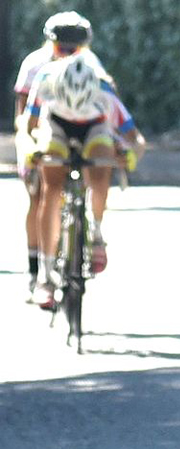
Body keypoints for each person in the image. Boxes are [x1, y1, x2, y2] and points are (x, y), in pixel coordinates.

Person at [26, 53, 135, 311]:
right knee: (51, 187)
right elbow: (28, 129)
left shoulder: (106, 93)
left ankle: (95, 232)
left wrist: (128, 154)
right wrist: (31, 151)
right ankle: (45, 275)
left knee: (102, 162)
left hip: (95, 128)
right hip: (56, 126)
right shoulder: (44, 83)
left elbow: (134, 138)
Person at [13, 11, 103, 300]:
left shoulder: (90, 65)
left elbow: (107, 105)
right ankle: (37, 269)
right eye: (61, 47)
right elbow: (24, 115)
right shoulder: (34, 64)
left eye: (74, 48)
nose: (67, 53)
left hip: (79, 132)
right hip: (41, 133)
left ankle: (88, 237)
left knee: (97, 171)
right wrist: (29, 147)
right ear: (49, 42)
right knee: (40, 195)